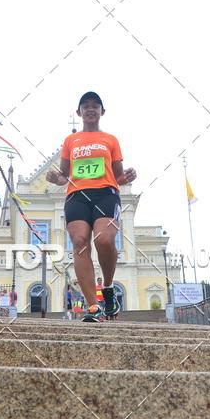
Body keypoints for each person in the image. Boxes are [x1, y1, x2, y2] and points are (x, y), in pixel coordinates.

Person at [46, 91, 136, 322]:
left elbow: (119, 176)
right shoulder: (70, 141)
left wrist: (128, 176)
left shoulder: (111, 140)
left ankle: (107, 287)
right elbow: (65, 175)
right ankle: (93, 306)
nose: (91, 109)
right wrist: (55, 178)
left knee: (104, 240)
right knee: (79, 243)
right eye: (86, 106)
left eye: (95, 105)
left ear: (102, 111)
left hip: (106, 193)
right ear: (79, 112)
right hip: (77, 195)